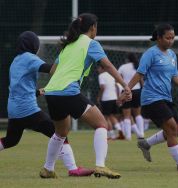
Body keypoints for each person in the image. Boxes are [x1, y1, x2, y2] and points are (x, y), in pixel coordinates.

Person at [40, 13, 131, 179]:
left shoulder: (68, 46)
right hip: (68, 91)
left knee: (61, 132)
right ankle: (101, 166)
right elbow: (108, 66)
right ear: (92, 28)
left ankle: (48, 168)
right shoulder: (91, 43)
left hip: (51, 92)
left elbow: (53, 71)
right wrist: (125, 85)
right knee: (101, 124)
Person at [2, 31, 93, 177]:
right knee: (60, 133)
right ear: (33, 44)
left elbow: (20, 88)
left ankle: (58, 169)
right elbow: (52, 70)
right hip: (28, 109)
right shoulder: (29, 58)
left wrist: (40, 91)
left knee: (11, 140)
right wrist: (66, 59)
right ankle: (73, 169)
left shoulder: (16, 60)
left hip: (14, 109)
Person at [127, 23, 178, 171]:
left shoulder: (172, 55)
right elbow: (139, 73)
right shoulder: (150, 54)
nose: (171, 41)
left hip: (166, 98)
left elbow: (175, 77)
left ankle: (146, 143)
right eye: (168, 38)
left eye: (173, 38)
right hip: (151, 99)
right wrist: (127, 89)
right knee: (171, 128)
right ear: (159, 38)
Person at [118, 53, 144, 140]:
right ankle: (141, 133)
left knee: (126, 115)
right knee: (138, 114)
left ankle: (128, 136)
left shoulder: (123, 67)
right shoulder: (138, 66)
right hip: (137, 91)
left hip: (126, 90)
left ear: (127, 59)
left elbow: (119, 79)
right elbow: (141, 80)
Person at [96, 64, 124, 140]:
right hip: (114, 98)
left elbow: (102, 87)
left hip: (106, 99)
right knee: (112, 116)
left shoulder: (101, 76)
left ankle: (111, 135)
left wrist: (99, 97)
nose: (98, 70)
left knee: (106, 117)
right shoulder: (111, 75)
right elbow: (115, 86)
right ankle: (120, 131)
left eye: (98, 68)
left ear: (102, 68)